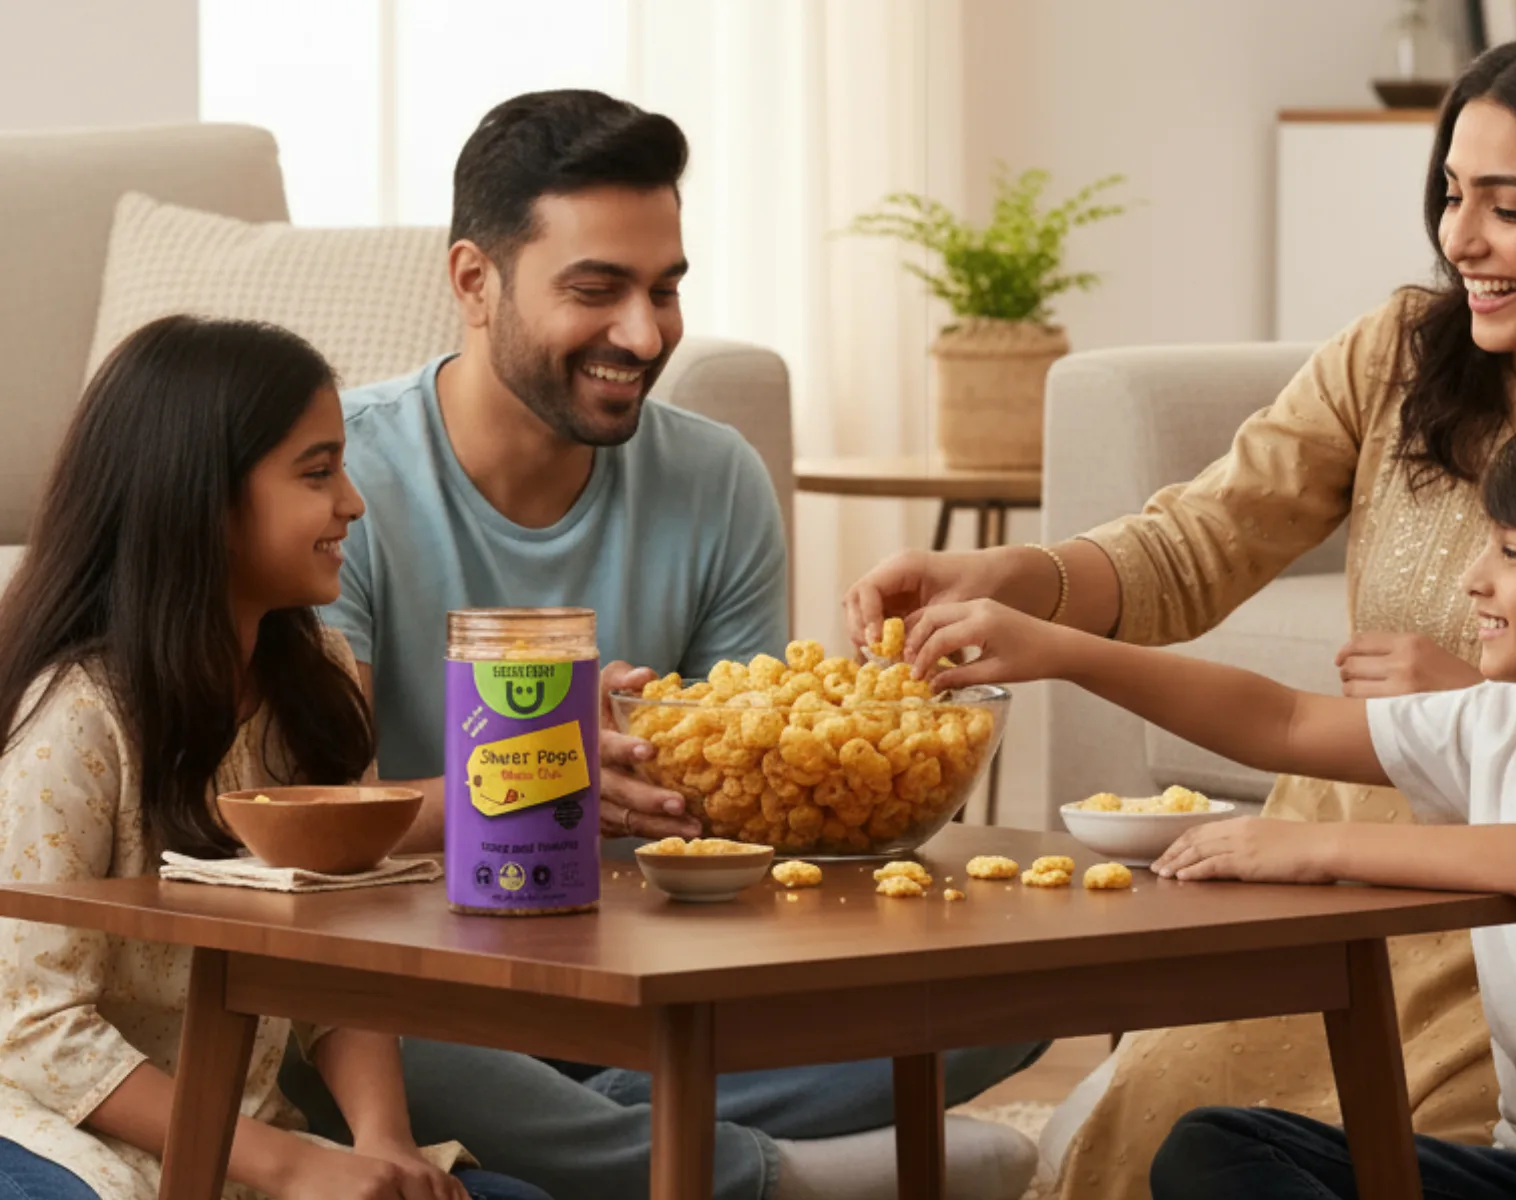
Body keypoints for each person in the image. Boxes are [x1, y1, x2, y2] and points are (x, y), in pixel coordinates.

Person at [844, 25, 1516, 1199]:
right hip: (1307, 887)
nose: (1461, 239)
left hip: (1511, 921)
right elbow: (1203, 547)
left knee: (1413, 1149)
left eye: (1508, 205)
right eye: (1452, 195)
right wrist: (1026, 592)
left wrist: (1487, 697)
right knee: (1163, 1132)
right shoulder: (1400, 353)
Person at [289, 89, 1039, 1199]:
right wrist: (548, 771)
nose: (645, 336)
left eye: (666, 289)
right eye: (597, 290)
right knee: (363, 1034)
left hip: (648, 976)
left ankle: (591, 1141)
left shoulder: (716, 478)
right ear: (473, 281)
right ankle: (770, 1177)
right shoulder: (340, 485)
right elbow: (309, 843)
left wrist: (777, 750)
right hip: (422, 987)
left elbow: (740, 827)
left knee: (1000, 1002)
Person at [904, 404, 1516, 1200]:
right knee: (1214, 1148)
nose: (1473, 580)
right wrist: (1058, 648)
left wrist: (1316, 846)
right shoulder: (1501, 721)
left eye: (1513, 554)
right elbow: (1283, 722)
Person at [0, 316, 547, 1200]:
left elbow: (338, 955)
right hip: (48, 1132)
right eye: (317, 472)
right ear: (205, 501)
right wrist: (291, 1165)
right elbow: (31, 1027)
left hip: (235, 1138)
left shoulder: (317, 687)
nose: (353, 503)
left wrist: (384, 1144)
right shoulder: (79, 717)